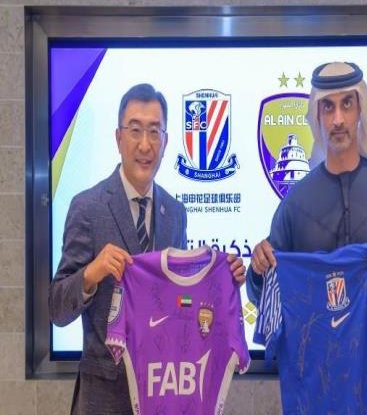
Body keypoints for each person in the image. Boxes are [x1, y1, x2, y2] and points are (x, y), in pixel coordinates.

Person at [49, 83, 246, 415]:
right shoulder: (87, 207)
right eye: (135, 130)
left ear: (166, 142)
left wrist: (222, 281)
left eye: (154, 132)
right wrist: (91, 274)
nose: (145, 144)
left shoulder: (175, 213)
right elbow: (57, 309)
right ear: (118, 138)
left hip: (164, 394)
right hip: (104, 400)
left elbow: (181, 302)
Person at [247, 62, 367, 415]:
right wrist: (258, 268)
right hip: (315, 386)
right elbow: (268, 297)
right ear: (316, 115)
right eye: (328, 107)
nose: (338, 119)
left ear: (361, 109)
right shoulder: (295, 204)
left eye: (347, 104)